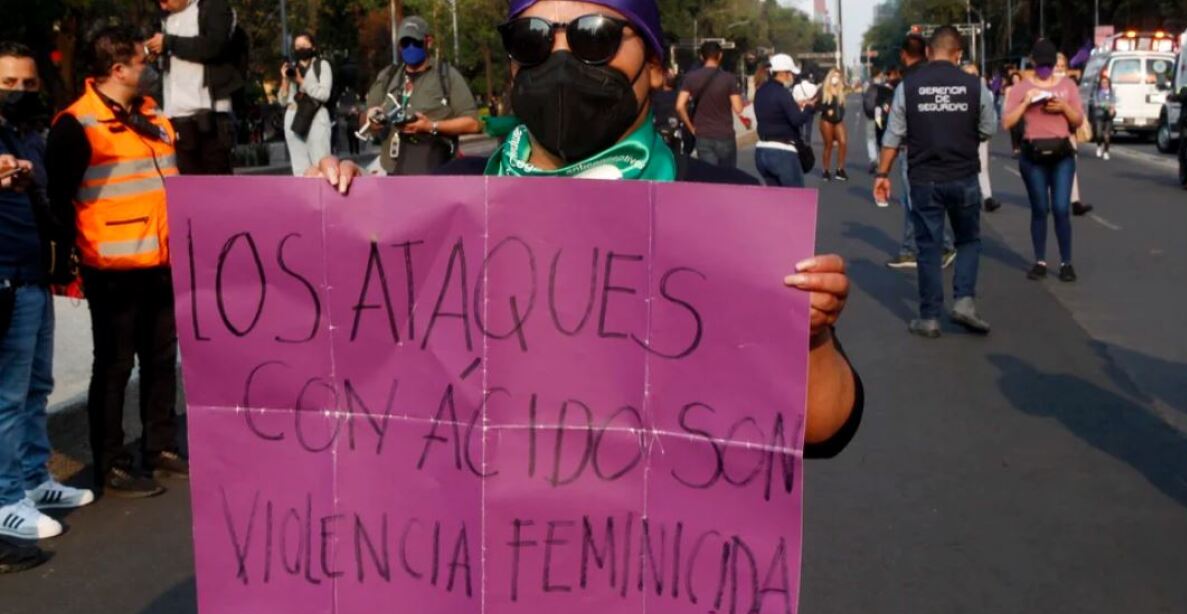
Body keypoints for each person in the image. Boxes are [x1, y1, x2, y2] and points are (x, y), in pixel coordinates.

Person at [313, 0, 864, 456]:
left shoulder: (730, 212)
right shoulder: (445, 201)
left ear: (656, 66)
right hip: (467, 546)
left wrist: (811, 338)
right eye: (531, 40)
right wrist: (328, 221)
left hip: (654, 549)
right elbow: (346, 388)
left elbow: (822, 430)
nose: (561, 61)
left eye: (594, 37)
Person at [46, 26, 188, 499]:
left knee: (161, 359)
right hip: (111, 270)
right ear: (118, 69)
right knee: (114, 366)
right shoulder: (76, 124)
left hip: (162, 260)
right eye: (143, 60)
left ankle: (160, 447)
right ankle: (111, 464)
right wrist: (67, 266)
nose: (150, 66)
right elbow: (58, 200)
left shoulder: (154, 117)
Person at [0, 42, 94, 571]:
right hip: (5, 278)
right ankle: (5, 497)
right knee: (7, 397)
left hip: (34, 275)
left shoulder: (27, 134)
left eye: (28, 83)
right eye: (8, 83)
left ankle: (35, 478)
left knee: (36, 386)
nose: (19, 91)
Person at [875, 26, 996, 339]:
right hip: (964, 176)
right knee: (967, 240)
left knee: (928, 247)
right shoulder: (974, 85)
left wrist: (882, 174)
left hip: (923, 179)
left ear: (928, 52)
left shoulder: (908, 86)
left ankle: (929, 317)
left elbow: (893, 135)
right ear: (959, 54)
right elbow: (989, 127)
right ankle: (964, 301)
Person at [1003, 39, 1084, 282]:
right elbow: (1007, 122)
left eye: (1049, 65)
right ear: (1033, 62)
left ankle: (1066, 262)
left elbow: (1078, 120)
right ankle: (1040, 261)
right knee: (1040, 208)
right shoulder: (1022, 88)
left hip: (1062, 154)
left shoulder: (1067, 86)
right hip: (1033, 154)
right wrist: (1026, 102)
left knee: (1061, 208)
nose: (1045, 70)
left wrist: (1063, 107)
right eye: (1041, 65)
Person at [363, 16, 481, 175]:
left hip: (437, 173)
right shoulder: (388, 76)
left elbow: (473, 123)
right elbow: (365, 120)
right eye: (405, 43)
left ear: (428, 42)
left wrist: (431, 126)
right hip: (393, 173)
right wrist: (371, 119)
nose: (410, 47)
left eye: (416, 42)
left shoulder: (447, 76)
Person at [145, 0, 244, 175]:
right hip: (175, 114)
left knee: (217, 182)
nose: (163, 7)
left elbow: (214, 46)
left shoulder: (213, 7)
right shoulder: (163, 18)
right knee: (187, 182)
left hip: (209, 112)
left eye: (165, 1)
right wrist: (154, 52)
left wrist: (170, 43)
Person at [885, 33, 956, 270]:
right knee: (922, 200)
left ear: (903, 55)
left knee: (916, 201)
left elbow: (895, 128)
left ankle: (940, 246)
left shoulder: (907, 83)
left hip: (913, 147)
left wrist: (882, 171)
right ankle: (913, 248)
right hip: (944, 145)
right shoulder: (941, 78)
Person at [676, 40, 745, 169]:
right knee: (728, 176)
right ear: (720, 55)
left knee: (709, 175)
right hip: (725, 135)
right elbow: (738, 108)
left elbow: (680, 106)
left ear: (701, 57)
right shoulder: (729, 78)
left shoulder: (691, 77)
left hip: (703, 135)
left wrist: (691, 128)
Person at [278, 33, 333, 176]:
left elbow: (324, 94)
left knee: (321, 165)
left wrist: (301, 81)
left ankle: (323, 191)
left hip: (315, 116)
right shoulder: (292, 68)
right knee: (300, 169)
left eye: (304, 45)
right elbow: (282, 101)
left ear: (313, 47)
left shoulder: (321, 65)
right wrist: (285, 80)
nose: (300, 49)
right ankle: (303, 191)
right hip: (293, 118)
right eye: (297, 46)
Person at [754, 54, 812, 187]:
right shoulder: (782, 93)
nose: (792, 77)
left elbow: (772, 113)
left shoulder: (760, 91)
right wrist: (809, 109)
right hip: (782, 153)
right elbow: (797, 120)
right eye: (791, 73)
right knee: (795, 197)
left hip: (762, 151)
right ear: (783, 73)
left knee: (775, 198)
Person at [1055, 53, 1092, 216]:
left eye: (1062, 66)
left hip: (1068, 132)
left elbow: (1077, 108)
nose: (1059, 69)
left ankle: (1075, 201)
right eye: (1056, 66)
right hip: (1050, 133)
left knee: (1070, 167)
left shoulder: (1070, 85)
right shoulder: (1044, 85)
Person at [963, 63, 1002, 212]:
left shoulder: (985, 92)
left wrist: (986, 133)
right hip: (961, 135)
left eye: (974, 74)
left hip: (979, 134)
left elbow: (990, 115)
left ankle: (987, 198)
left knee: (982, 167)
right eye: (967, 74)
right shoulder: (957, 91)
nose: (971, 77)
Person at [816, 67, 849, 181]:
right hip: (826, 120)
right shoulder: (823, 90)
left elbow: (842, 106)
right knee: (828, 144)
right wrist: (827, 109)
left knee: (843, 142)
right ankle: (825, 170)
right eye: (834, 76)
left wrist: (841, 114)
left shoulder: (840, 90)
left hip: (838, 120)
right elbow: (817, 105)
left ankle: (840, 169)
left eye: (838, 77)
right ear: (830, 77)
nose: (836, 79)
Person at [862, 72, 883, 172]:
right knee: (881, 137)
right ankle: (880, 161)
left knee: (870, 138)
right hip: (880, 114)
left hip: (870, 114)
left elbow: (863, 96)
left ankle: (873, 159)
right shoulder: (884, 83)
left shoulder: (867, 84)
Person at [793, 71, 819, 146]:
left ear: (801, 78)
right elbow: (816, 98)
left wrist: (800, 102)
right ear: (808, 78)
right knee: (809, 125)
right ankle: (808, 141)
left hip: (799, 107)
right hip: (809, 107)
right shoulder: (813, 86)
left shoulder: (796, 87)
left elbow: (794, 98)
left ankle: (801, 138)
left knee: (800, 124)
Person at [1092, 75, 1115, 160]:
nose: (1105, 84)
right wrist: (1106, 105)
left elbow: (1113, 102)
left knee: (1107, 135)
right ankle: (1099, 146)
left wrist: (1112, 108)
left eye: (1106, 83)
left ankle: (1106, 152)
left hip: (1108, 116)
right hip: (1099, 115)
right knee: (1098, 134)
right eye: (1103, 83)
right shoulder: (1097, 92)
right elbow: (1096, 103)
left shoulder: (1111, 92)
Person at [1003, 70, 1025, 157]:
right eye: (1014, 78)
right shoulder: (1009, 89)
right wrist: (1005, 112)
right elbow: (1006, 101)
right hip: (1012, 111)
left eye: (1017, 78)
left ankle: (1021, 148)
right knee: (1014, 131)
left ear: (1020, 79)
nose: (1015, 80)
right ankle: (1016, 149)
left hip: (1022, 111)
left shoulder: (1023, 88)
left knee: (1022, 130)